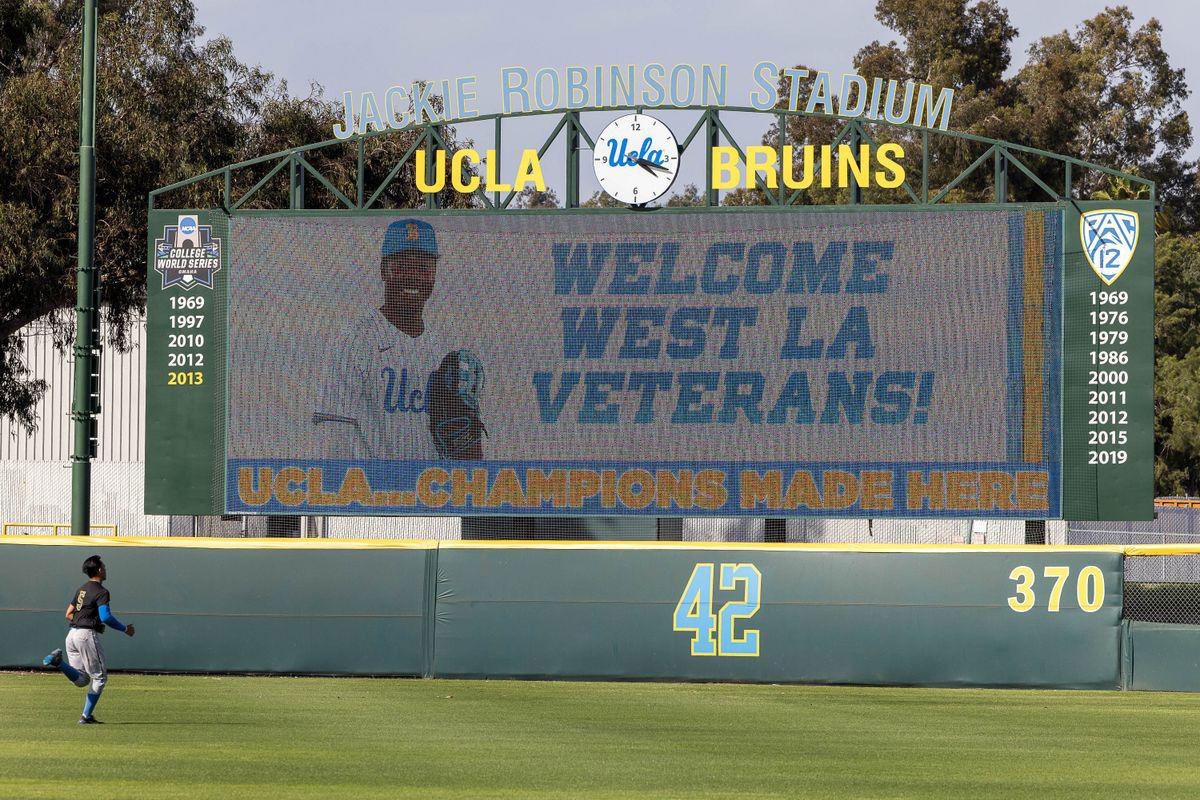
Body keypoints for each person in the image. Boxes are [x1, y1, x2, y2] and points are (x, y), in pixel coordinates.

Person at [314, 218, 485, 461]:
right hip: (372, 483)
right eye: (402, 266)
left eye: (423, 267)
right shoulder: (356, 340)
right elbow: (332, 434)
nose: (413, 277)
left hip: (432, 483)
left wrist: (467, 436)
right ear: (384, 270)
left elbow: (470, 458)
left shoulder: (442, 350)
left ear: (434, 275)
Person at [41, 555, 135, 724]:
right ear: (99, 570)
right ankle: (85, 717)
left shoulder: (82, 589)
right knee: (99, 678)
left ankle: (58, 662)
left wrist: (88, 622)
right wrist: (124, 629)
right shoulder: (101, 591)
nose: (105, 569)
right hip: (85, 636)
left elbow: (69, 614)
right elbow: (105, 617)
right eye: (103, 566)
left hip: (72, 635)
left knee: (82, 679)